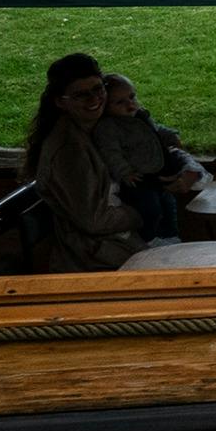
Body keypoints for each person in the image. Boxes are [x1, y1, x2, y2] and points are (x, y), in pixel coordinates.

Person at [22, 53, 144, 272]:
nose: (94, 99)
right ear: (61, 102)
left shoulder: (97, 128)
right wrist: (140, 211)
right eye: (81, 95)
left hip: (114, 245)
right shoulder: (69, 151)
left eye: (98, 89)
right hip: (94, 257)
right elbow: (94, 221)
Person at [92, 73, 199, 245]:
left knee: (168, 204)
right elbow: (110, 152)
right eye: (120, 102)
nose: (130, 104)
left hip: (157, 173)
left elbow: (156, 130)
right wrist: (124, 171)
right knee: (150, 208)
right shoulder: (109, 127)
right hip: (137, 178)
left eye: (132, 97)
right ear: (105, 106)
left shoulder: (140, 116)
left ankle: (171, 237)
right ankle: (149, 238)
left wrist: (171, 136)